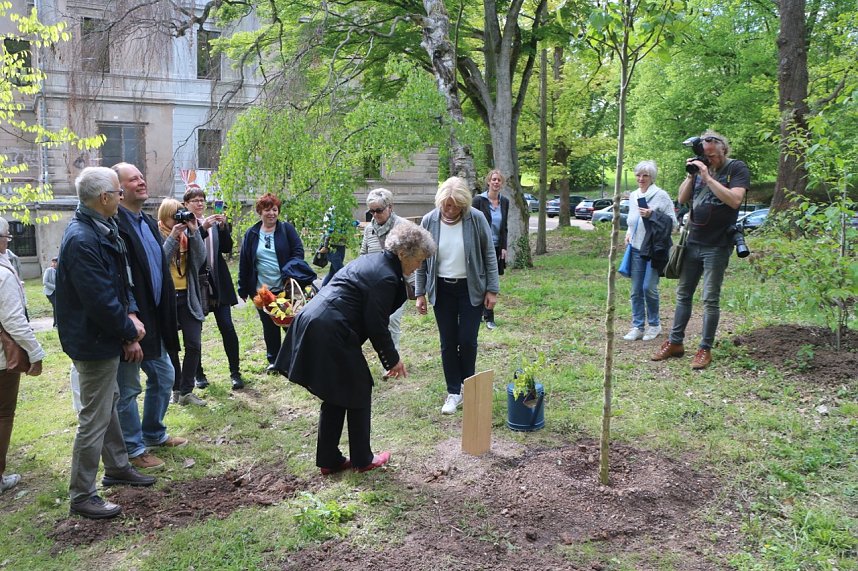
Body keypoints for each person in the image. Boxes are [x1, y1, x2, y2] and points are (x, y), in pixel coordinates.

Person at [275, 222, 435, 474]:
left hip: (317, 321)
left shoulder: (375, 263)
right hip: (330, 328)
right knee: (359, 387)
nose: (419, 265)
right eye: (419, 259)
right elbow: (376, 324)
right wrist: (392, 359)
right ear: (403, 253)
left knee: (336, 393)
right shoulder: (385, 275)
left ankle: (330, 460)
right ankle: (363, 459)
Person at [56, 167, 156, 520]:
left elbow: (118, 281)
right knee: (94, 418)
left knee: (108, 403)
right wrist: (128, 331)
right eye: (116, 191)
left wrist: (129, 313)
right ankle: (82, 494)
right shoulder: (82, 239)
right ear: (105, 198)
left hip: (102, 335)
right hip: (92, 340)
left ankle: (117, 467)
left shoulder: (101, 227)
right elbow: (98, 298)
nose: (120, 196)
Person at [652, 130, 750, 369]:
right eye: (705, 157)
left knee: (710, 299)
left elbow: (735, 200)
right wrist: (691, 175)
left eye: (712, 156)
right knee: (683, 295)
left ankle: (705, 348)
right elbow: (682, 198)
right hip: (692, 242)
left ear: (723, 149)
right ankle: (675, 343)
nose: (710, 160)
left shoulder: (736, 169)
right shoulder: (700, 170)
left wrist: (707, 177)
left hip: (717, 244)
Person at [113, 163, 187, 471]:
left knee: (165, 376)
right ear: (117, 190)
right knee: (129, 389)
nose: (142, 182)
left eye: (142, 177)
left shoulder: (144, 221)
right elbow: (119, 279)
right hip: (132, 323)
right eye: (133, 179)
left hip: (153, 320)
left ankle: (154, 433)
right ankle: (133, 447)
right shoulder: (115, 225)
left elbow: (156, 263)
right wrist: (128, 326)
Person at [415, 177, 500, 415]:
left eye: (454, 205)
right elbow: (421, 260)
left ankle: (468, 386)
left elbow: (489, 255)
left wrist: (492, 289)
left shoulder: (476, 219)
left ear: (463, 204)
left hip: (470, 288)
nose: (449, 209)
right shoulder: (429, 220)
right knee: (448, 342)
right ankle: (454, 391)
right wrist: (420, 293)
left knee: (468, 340)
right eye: (446, 204)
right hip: (442, 289)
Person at [237, 193, 314, 373]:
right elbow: (245, 262)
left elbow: (298, 251)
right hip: (263, 290)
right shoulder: (252, 233)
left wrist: (288, 272)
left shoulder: (286, 229)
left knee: (290, 324)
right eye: (267, 210)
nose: (271, 213)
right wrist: (242, 287)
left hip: (286, 288)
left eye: (274, 209)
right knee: (270, 326)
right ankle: (275, 361)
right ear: (259, 212)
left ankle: (297, 359)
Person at [183, 187, 245, 390]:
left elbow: (227, 248)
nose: (199, 204)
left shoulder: (213, 223)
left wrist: (224, 227)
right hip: (195, 284)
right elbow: (190, 250)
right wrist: (202, 228)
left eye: (202, 200)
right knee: (195, 331)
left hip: (218, 281)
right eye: (195, 200)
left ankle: (235, 372)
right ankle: (198, 374)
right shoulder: (183, 225)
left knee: (227, 327)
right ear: (186, 204)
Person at [0, 217, 45, 493]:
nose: (8, 242)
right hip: (2, 361)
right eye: (6, 237)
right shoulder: (3, 275)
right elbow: (14, 320)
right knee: (3, 415)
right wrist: (35, 352)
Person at [157, 198, 207, 406]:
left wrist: (194, 232)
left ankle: (187, 390)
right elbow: (160, 260)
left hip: (188, 296)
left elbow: (200, 258)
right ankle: (176, 389)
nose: (179, 218)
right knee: (171, 347)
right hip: (166, 299)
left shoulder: (188, 235)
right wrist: (174, 237)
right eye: (174, 215)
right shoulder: (156, 235)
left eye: (181, 213)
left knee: (194, 344)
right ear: (164, 217)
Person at [623, 160, 677, 342]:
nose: (641, 178)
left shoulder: (661, 195)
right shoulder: (633, 195)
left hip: (655, 249)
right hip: (637, 248)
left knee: (649, 288)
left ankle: (654, 325)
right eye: (638, 175)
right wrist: (629, 233)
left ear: (652, 177)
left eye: (645, 175)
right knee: (636, 289)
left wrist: (652, 214)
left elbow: (673, 223)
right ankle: (638, 326)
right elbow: (632, 221)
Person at [359, 188, 412, 351]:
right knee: (377, 323)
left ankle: (392, 362)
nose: (375, 215)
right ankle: (386, 356)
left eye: (379, 211)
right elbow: (364, 254)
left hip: (396, 283)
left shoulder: (403, 227)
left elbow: (413, 258)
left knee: (393, 320)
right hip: (374, 284)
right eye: (371, 211)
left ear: (390, 207)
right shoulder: (369, 229)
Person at [471, 169, 509, 330]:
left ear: (502, 183)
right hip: (480, 246)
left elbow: (504, 227)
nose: (496, 182)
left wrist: (504, 247)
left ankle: (489, 316)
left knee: (492, 280)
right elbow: (472, 224)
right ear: (488, 182)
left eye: (499, 180)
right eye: (493, 179)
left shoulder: (505, 202)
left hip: (496, 246)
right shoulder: (478, 201)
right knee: (480, 279)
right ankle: (481, 314)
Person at [319, 204, 356, 287]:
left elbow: (347, 225)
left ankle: (321, 291)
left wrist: (354, 223)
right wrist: (325, 246)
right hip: (332, 246)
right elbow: (328, 230)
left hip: (341, 245)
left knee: (332, 272)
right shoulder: (331, 211)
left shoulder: (344, 210)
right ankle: (350, 289)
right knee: (341, 271)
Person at [42, 257, 58, 327]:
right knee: (56, 305)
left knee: (58, 306)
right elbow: (45, 282)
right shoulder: (49, 270)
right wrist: (56, 287)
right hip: (50, 292)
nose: (54, 264)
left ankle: (58, 322)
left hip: (58, 292)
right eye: (53, 262)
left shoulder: (60, 270)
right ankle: (56, 323)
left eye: (56, 262)